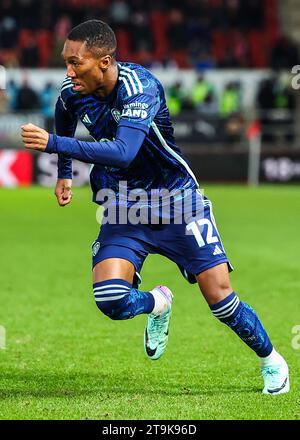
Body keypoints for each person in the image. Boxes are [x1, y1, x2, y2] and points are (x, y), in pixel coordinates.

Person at [21, 19, 289, 395]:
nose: (68, 71)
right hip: (124, 204)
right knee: (110, 299)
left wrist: (53, 146)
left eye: (75, 63)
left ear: (104, 61)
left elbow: (123, 152)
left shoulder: (141, 88)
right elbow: (64, 117)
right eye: (66, 61)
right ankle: (158, 303)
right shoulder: (72, 91)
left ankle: (271, 360)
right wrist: (65, 173)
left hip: (177, 201)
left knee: (221, 300)